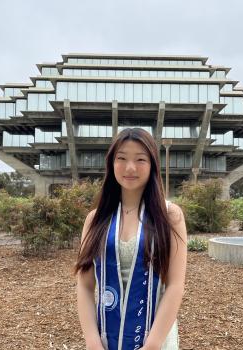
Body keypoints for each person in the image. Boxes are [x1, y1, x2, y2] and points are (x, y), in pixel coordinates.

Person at [74, 128, 187, 350]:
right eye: (122, 158)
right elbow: (85, 286)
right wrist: (92, 341)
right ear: (111, 163)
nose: (130, 167)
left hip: (155, 337)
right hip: (106, 337)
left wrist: (152, 344)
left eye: (140, 159)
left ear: (153, 164)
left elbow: (175, 286)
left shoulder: (170, 216)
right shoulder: (95, 220)